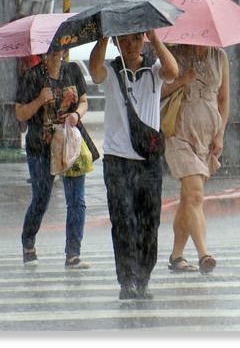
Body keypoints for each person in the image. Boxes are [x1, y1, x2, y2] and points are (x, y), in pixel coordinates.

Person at [89, 31, 178, 300]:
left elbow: (173, 71)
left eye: (136, 39)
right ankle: (126, 279)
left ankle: (143, 277)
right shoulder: (111, 70)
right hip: (117, 160)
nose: (131, 45)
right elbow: (94, 72)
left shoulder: (154, 69)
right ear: (118, 42)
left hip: (148, 161)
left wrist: (155, 36)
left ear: (143, 40)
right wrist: (104, 36)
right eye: (125, 40)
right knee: (123, 221)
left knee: (149, 221)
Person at [15, 50, 90, 269]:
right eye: (51, 48)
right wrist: (39, 100)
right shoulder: (31, 76)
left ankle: (73, 254)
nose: (57, 53)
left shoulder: (73, 70)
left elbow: (84, 102)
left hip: (70, 144)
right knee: (41, 199)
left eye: (60, 47)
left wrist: (77, 115)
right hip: (41, 148)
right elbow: (20, 114)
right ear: (43, 51)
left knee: (77, 200)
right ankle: (28, 242)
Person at [163, 44, 230, 274]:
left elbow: (223, 99)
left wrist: (220, 133)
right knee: (195, 195)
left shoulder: (220, 56)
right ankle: (204, 254)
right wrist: (182, 79)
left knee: (187, 199)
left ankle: (176, 256)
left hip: (207, 136)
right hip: (179, 132)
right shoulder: (175, 54)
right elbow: (159, 91)